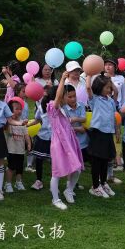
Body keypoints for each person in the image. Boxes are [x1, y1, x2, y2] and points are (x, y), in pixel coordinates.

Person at [46, 72, 85, 210]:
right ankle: (55, 199)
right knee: (57, 173)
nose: (66, 97)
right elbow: (57, 98)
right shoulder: (52, 107)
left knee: (77, 168)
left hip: (70, 141)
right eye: (63, 94)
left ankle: (69, 190)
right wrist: (62, 79)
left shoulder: (63, 109)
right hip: (59, 144)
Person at [85, 72, 118, 198]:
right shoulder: (95, 99)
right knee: (97, 162)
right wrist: (89, 73)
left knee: (105, 160)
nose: (110, 89)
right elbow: (88, 87)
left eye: (110, 87)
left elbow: (113, 116)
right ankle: (95, 187)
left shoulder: (110, 101)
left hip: (108, 133)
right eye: (107, 87)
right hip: (98, 133)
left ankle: (103, 183)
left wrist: (109, 80)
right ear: (99, 87)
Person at [28, 84, 54, 191]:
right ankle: (39, 181)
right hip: (42, 137)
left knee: (55, 161)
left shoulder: (59, 107)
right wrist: (27, 124)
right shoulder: (42, 107)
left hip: (54, 138)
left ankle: (54, 182)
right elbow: (37, 119)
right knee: (39, 159)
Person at [3, 100, 31, 193]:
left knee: (20, 167)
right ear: (10, 110)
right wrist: (9, 117)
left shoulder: (22, 122)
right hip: (11, 150)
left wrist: (29, 144)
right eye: (16, 109)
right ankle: (8, 184)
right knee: (11, 167)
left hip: (20, 150)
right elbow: (5, 127)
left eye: (20, 109)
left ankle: (18, 182)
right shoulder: (8, 123)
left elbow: (26, 134)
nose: (19, 111)